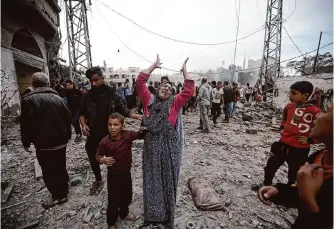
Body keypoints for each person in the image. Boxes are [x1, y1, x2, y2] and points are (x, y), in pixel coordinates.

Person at [136, 55, 194, 229]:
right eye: (164, 86)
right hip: (152, 147)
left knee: (168, 180)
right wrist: (153, 66)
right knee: (152, 179)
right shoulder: (149, 100)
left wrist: (184, 70)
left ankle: (167, 216)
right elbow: (140, 82)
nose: (166, 89)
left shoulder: (174, 104)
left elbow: (189, 89)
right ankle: (153, 216)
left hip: (169, 148)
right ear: (157, 88)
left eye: (169, 88)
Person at [258, 104, 333, 229]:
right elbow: (305, 194)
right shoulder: (320, 157)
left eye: (327, 113)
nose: (319, 115)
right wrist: (279, 192)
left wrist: (309, 202)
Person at [79, 66, 141, 196]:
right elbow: (82, 113)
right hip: (93, 134)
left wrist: (137, 116)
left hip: (111, 133)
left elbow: (124, 110)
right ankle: (98, 180)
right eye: (91, 81)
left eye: (96, 80)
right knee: (92, 156)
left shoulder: (112, 93)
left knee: (116, 158)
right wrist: (83, 125)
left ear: (102, 78)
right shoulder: (87, 96)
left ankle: (117, 181)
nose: (93, 83)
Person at [252, 81, 321, 191]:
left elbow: (325, 130)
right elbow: (284, 119)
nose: (290, 95)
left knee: (294, 173)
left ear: (306, 95)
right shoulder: (289, 106)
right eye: (290, 92)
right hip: (282, 145)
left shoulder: (315, 111)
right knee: (270, 166)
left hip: (299, 150)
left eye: (293, 93)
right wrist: (282, 128)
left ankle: (288, 194)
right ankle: (266, 185)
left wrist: (311, 140)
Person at [20, 72, 71, 209]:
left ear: (33, 84)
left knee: (49, 170)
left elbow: (26, 124)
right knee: (60, 164)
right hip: (61, 141)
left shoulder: (28, 100)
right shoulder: (58, 98)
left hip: (44, 144)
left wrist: (26, 142)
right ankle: (64, 188)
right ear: (47, 83)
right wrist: (68, 135)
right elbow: (68, 118)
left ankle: (58, 196)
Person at [96, 113, 146, 229]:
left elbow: (140, 135)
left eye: (116, 125)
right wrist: (103, 160)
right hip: (113, 176)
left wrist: (144, 126)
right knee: (113, 200)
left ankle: (124, 213)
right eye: (110, 125)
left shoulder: (128, 135)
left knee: (127, 195)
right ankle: (111, 223)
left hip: (126, 173)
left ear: (122, 126)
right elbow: (97, 155)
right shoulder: (105, 142)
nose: (112, 128)